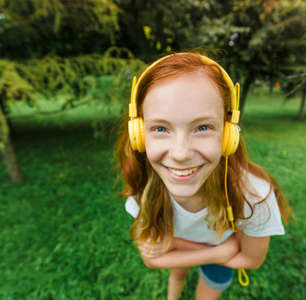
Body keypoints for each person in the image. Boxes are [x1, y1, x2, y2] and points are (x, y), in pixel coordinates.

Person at [117, 52, 291, 300]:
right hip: (220, 252)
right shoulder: (145, 186)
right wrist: (220, 252)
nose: (180, 154)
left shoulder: (255, 196)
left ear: (228, 134)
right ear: (139, 135)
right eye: (160, 128)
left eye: (202, 127)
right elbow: (150, 258)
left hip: (203, 254)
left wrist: (174, 247)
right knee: (177, 273)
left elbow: (250, 260)